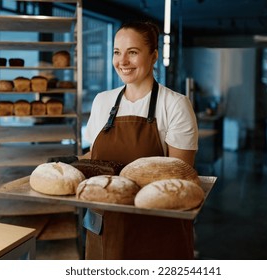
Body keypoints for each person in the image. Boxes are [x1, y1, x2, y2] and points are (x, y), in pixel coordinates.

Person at [79, 20, 199, 260]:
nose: (122, 61)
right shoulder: (102, 101)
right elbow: (93, 159)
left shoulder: (174, 104)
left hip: (155, 228)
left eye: (132, 52)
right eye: (117, 52)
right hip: (104, 224)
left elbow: (181, 176)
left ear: (154, 56)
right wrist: (64, 167)